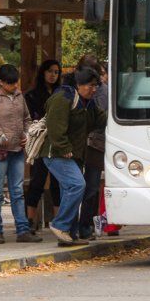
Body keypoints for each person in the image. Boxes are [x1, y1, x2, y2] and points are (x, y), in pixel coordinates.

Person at [40, 67, 107, 247]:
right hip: (56, 153)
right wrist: (64, 147)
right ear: (78, 84)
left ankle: (69, 235)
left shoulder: (88, 103)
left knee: (68, 190)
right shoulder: (63, 98)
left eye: (96, 86)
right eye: (91, 86)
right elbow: (55, 127)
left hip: (74, 155)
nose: (94, 90)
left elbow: (103, 120)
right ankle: (60, 225)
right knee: (78, 185)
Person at [0, 64, 42, 244]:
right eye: (10, 83)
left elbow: (27, 118)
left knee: (17, 191)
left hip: (17, 150)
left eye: (16, 82)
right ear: (0, 82)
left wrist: (27, 133)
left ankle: (22, 230)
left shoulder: (19, 96)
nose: (14, 86)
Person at [24, 59, 62, 229]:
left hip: (57, 142)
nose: (53, 75)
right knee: (37, 181)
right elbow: (31, 119)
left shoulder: (62, 94)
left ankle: (59, 221)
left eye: (56, 72)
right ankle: (31, 221)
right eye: (50, 71)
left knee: (57, 183)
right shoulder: (32, 95)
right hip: (39, 143)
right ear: (43, 73)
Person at [79, 61, 108, 240]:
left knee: (91, 186)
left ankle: (86, 225)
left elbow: (100, 117)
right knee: (87, 186)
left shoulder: (102, 92)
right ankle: (85, 225)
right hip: (89, 143)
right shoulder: (74, 93)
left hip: (96, 143)